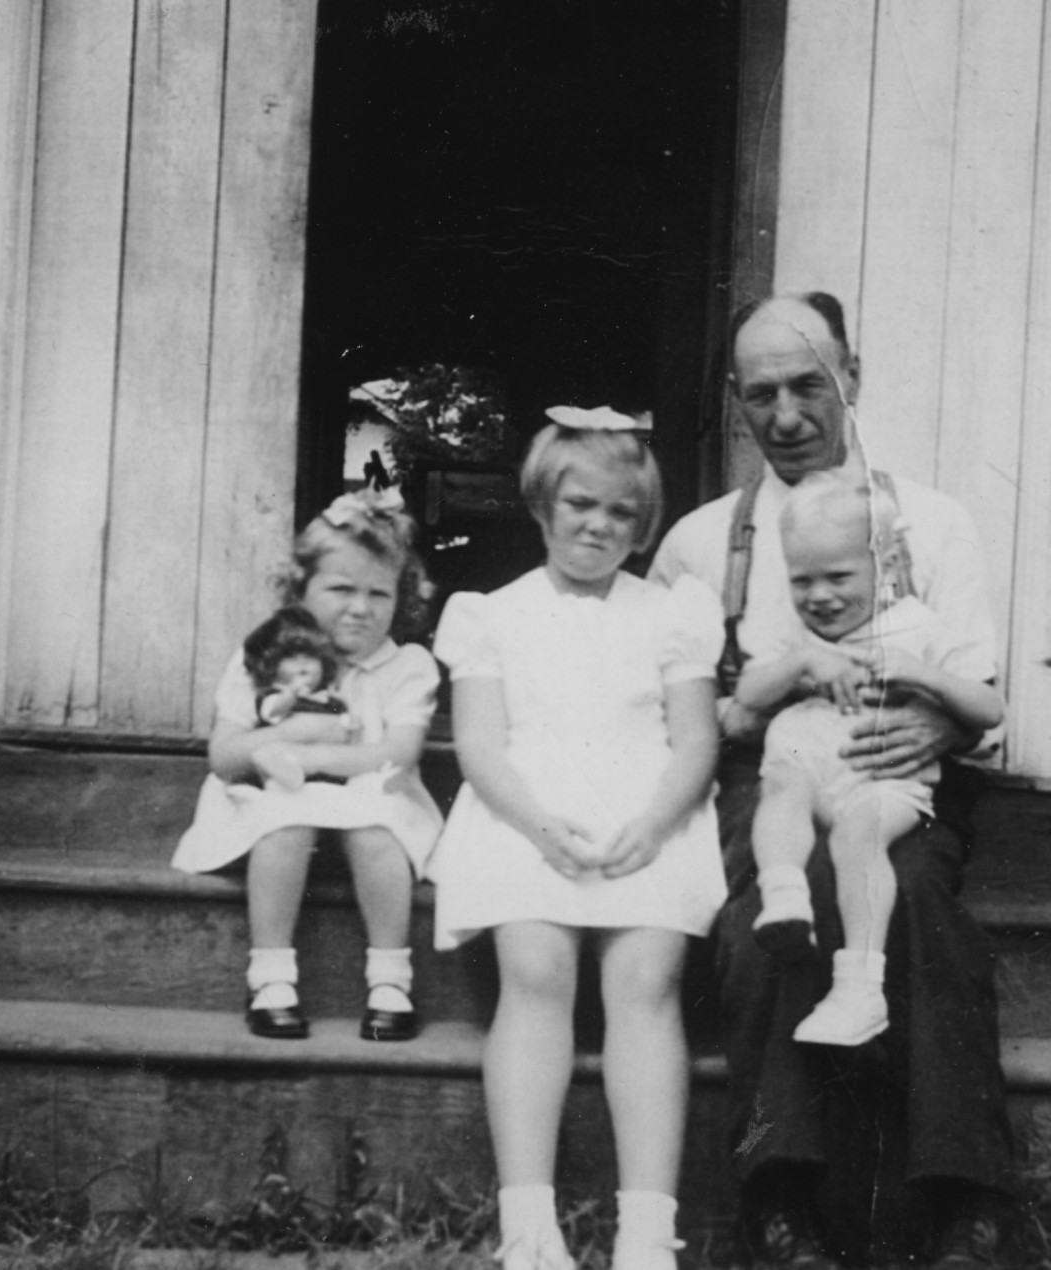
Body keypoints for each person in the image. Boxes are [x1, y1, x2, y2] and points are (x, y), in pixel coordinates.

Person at [649, 293, 1015, 1270]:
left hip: (899, 764)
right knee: (780, 901)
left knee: (922, 893)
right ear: (735, 402)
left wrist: (930, 715)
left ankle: (964, 1203)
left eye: (808, 383)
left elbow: (981, 687)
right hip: (761, 771)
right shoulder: (698, 543)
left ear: (849, 376)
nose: (786, 412)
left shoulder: (930, 522)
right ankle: (782, 1201)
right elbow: (661, 708)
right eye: (759, 393)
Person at [430, 406, 725, 1270]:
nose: (598, 525)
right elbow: (480, 744)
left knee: (645, 977)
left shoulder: (673, 614)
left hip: (648, 804)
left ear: (643, 528)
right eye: (580, 505)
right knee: (536, 970)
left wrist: (655, 825)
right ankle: (528, 1226)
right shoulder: (491, 614)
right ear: (541, 506)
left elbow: (697, 740)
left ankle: (646, 1229)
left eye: (621, 514)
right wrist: (539, 826)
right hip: (527, 808)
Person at [735, 470, 1005, 1048]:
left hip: (881, 782)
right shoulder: (796, 635)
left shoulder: (918, 629)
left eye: (838, 576)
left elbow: (988, 708)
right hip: (806, 772)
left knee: (858, 839)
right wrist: (804, 663)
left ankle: (858, 990)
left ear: (883, 566)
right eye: (801, 580)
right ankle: (784, 901)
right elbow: (747, 697)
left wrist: (921, 674)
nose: (819, 596)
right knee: (780, 792)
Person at [173, 487, 442, 1043]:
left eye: (379, 593)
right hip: (277, 796)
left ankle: (390, 979)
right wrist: (291, 734)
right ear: (300, 589)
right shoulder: (265, 657)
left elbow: (398, 752)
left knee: (377, 824)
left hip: (372, 793)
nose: (360, 608)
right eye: (341, 588)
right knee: (285, 820)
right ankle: (271, 978)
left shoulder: (407, 666)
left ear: (403, 598)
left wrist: (314, 756)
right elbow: (224, 756)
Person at [243, 606, 348, 731]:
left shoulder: (328, 701)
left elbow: (340, 716)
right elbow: (272, 713)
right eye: (291, 657)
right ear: (272, 666)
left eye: (311, 656)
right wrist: (291, 694)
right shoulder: (273, 696)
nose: (303, 663)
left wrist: (345, 717)